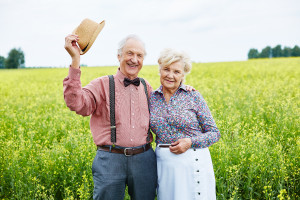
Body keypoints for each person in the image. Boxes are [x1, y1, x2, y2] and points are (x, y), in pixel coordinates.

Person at [63, 34, 157, 200]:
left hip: (144, 159)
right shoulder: (102, 84)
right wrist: (75, 59)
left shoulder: (146, 86)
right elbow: (76, 103)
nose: (134, 59)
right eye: (129, 53)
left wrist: (184, 88)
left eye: (139, 55)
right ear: (119, 56)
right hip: (110, 159)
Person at [149, 48, 221, 200]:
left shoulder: (193, 96)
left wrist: (190, 142)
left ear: (183, 74)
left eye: (176, 71)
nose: (170, 75)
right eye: (166, 69)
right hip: (164, 166)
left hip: (193, 162)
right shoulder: (152, 98)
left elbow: (215, 133)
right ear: (159, 70)